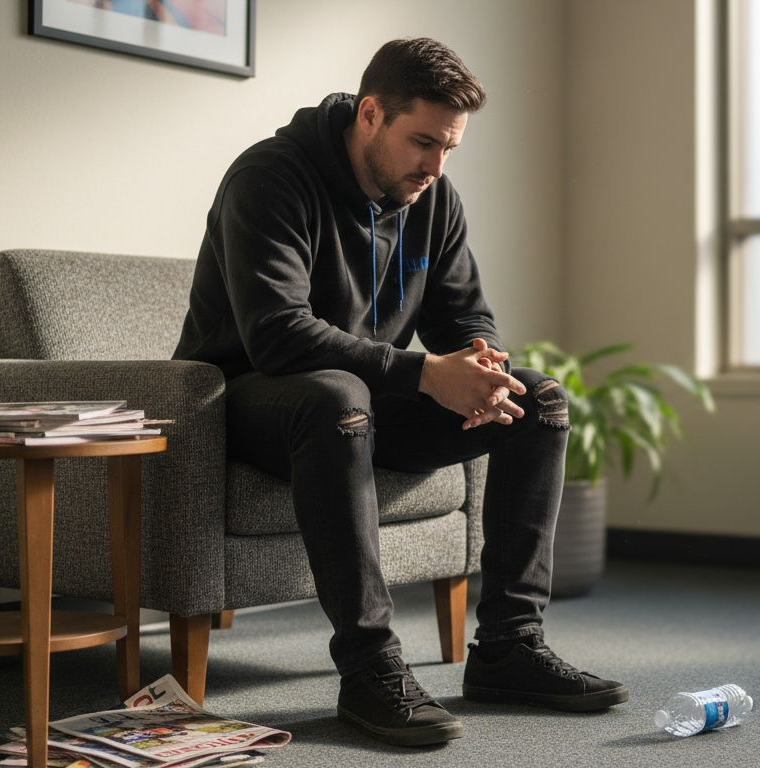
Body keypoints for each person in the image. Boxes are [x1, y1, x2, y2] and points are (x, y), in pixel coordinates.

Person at [172, 37, 627, 747]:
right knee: (334, 396)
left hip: (364, 395)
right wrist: (423, 374)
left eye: (449, 148)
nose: (435, 166)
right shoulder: (270, 177)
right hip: (248, 400)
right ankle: (370, 668)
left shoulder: (432, 196)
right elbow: (278, 335)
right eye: (422, 143)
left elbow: (465, 313)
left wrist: (481, 362)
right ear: (371, 114)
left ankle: (510, 647)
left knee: (537, 400)